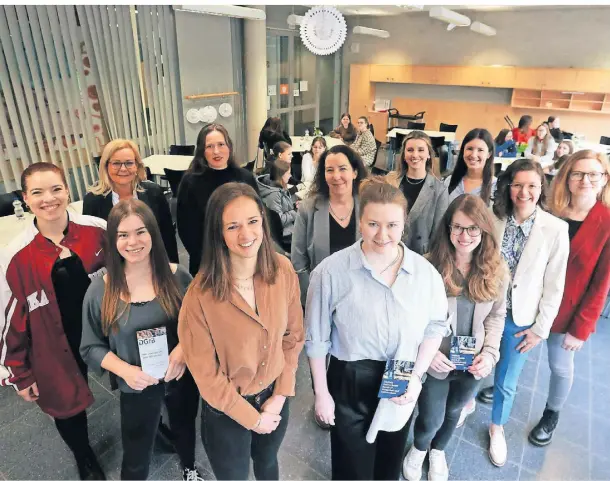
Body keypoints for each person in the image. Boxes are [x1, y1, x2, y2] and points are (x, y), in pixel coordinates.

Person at [305, 177, 449, 480]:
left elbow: (436, 325)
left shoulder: (426, 274)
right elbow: (316, 339)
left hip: (401, 373)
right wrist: (321, 393)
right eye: (373, 224)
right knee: (350, 467)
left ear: (404, 223)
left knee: (389, 459)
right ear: (360, 222)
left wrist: (417, 375)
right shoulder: (330, 272)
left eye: (393, 225)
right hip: (351, 378)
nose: (383, 235)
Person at [178, 182, 304, 481]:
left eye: (252, 222)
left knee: (268, 464)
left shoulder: (282, 270)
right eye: (232, 226)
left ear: (263, 220)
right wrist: (252, 419)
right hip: (227, 412)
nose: (246, 235)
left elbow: (293, 337)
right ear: (218, 233)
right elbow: (206, 376)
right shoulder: (200, 296)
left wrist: (281, 395)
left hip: (274, 397)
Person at [80, 199, 202, 481]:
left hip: (180, 376)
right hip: (136, 384)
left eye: (140, 232)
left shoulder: (178, 277)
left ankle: (189, 468)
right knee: (136, 445)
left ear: (153, 234)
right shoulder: (101, 290)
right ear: (113, 239)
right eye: (123, 234)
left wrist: (183, 350)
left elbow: (200, 322)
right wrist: (126, 372)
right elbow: (90, 347)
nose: (132, 242)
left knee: (184, 426)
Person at [0, 162, 107, 480]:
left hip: (104, 330)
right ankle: (84, 455)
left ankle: (153, 426)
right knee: (66, 404)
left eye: (56, 188)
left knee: (135, 382)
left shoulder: (96, 228)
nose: (49, 198)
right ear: (25, 198)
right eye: (37, 192)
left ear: (67, 190)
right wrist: (17, 373)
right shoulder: (14, 256)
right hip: (52, 342)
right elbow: (6, 321)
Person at [402, 194, 508, 481]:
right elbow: (410, 317)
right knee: (431, 415)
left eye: (473, 228)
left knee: (455, 412)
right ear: (447, 228)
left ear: (484, 231)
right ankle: (420, 447)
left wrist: (489, 354)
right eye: (458, 227)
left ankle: (438, 450)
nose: (465, 235)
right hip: (437, 360)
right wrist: (428, 355)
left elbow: (497, 317)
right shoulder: (427, 265)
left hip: (473, 364)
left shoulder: (496, 268)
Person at [477, 158, 570, 467]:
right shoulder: (494, 218)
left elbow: (555, 285)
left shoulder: (556, 229)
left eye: (532, 185)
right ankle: (462, 406)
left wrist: (540, 328)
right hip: (486, 309)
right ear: (508, 186)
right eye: (518, 184)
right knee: (471, 362)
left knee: (506, 379)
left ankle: (497, 426)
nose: (524, 191)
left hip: (521, 319)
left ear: (541, 188)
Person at [528, 150, 610, 446]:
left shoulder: (607, 221)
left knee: (560, 366)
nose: (585, 180)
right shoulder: (553, 209)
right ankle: (503, 387)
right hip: (533, 300)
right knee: (516, 349)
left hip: (568, 312)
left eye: (593, 174)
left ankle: (552, 413)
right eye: (577, 173)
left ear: (604, 180)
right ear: (567, 177)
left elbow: (602, 284)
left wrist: (581, 329)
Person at [291, 144, 368, 305]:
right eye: (330, 170)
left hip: (362, 296)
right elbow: (298, 261)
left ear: (354, 172)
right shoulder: (308, 208)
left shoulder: (368, 206)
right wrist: (312, 298)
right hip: (320, 296)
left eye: (342, 169)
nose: (336, 176)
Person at [177, 123, 259, 275]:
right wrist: (209, 259)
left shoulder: (245, 177)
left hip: (244, 257)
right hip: (207, 262)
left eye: (221, 144)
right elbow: (186, 228)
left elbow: (258, 218)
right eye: (209, 146)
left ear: (229, 147)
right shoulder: (190, 182)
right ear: (202, 151)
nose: (216, 151)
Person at [83, 139, 178, 263]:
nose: (123, 169)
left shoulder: (153, 192)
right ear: (106, 166)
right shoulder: (93, 200)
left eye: (129, 163)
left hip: (153, 264)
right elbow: (92, 246)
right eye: (116, 163)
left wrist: (172, 269)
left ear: (137, 166)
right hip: (114, 269)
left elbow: (167, 237)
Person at [387, 131, 448, 254]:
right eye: (410, 150)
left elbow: (438, 232)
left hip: (420, 254)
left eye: (420, 150)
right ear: (404, 155)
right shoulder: (390, 181)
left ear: (429, 154)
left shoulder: (439, 190)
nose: (415, 155)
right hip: (390, 249)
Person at [445, 128, 497, 205]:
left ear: (489, 154)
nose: (473, 155)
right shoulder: (449, 181)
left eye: (480, 150)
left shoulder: (496, 187)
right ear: (463, 151)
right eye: (469, 149)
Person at [256, 160, 297, 242]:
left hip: (289, 225)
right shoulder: (274, 195)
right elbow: (279, 220)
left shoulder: (279, 186)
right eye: (288, 173)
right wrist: (295, 211)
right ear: (281, 176)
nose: (290, 176)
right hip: (286, 233)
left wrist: (295, 206)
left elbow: (283, 207)